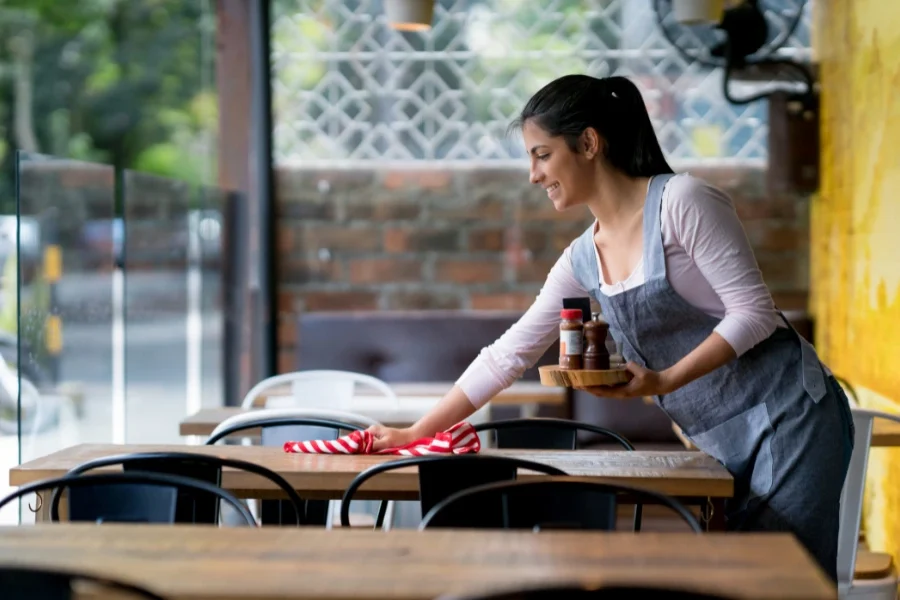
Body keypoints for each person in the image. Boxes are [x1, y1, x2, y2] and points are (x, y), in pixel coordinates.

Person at [367, 74, 854, 580]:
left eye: (542, 155)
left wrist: (664, 380)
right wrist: (417, 432)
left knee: (784, 584)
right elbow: (509, 354)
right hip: (720, 440)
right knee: (741, 584)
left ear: (589, 143)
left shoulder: (682, 203)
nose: (533, 175)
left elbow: (753, 313)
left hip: (791, 418)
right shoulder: (582, 259)